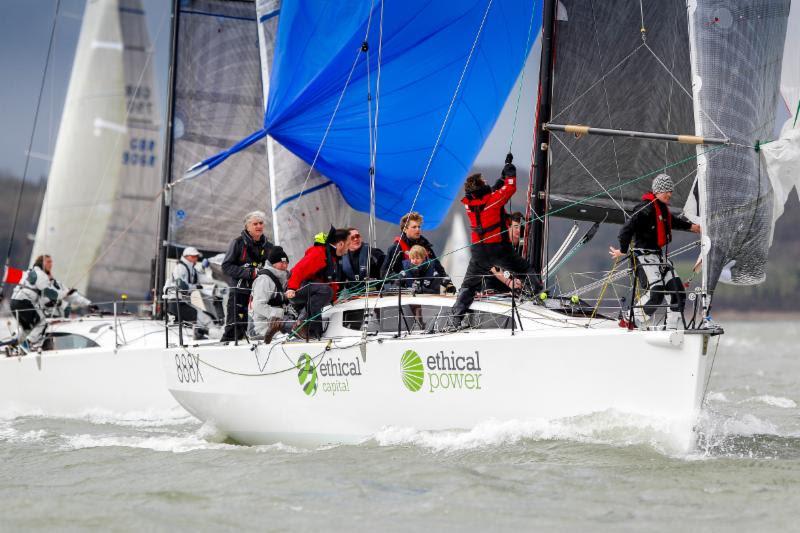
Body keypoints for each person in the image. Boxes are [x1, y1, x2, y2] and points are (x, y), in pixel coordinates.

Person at [450, 154, 543, 328]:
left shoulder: (469, 204)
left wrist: (500, 178)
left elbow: (490, 192)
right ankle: (539, 294)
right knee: (525, 268)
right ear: (480, 186)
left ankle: (456, 318)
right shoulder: (493, 200)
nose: (486, 183)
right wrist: (510, 170)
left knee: (469, 286)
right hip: (498, 248)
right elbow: (510, 187)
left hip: (479, 252)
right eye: (484, 181)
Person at [609, 173, 701, 330]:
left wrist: (694, 227)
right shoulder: (644, 209)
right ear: (658, 191)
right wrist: (623, 250)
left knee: (678, 292)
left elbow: (674, 222)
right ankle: (629, 318)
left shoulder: (662, 210)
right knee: (656, 293)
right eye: (667, 191)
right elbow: (625, 230)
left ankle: (671, 328)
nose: (669, 194)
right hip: (643, 257)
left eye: (671, 191)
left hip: (658, 257)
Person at [286, 228, 349, 340]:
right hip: (295, 288)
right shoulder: (319, 253)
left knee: (327, 292)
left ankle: (307, 329)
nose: (348, 248)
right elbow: (299, 269)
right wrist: (291, 288)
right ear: (340, 244)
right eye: (348, 244)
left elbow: (330, 280)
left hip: (308, 287)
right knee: (326, 291)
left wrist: (333, 300)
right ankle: (308, 329)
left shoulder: (332, 256)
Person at [221, 211, 274, 342]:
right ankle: (225, 348)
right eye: (255, 224)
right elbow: (226, 266)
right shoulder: (238, 243)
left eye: (261, 223)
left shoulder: (268, 246)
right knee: (234, 327)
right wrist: (249, 273)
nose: (259, 226)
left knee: (257, 327)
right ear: (247, 227)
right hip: (239, 292)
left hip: (259, 293)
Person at [381, 212, 455, 293]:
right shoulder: (396, 248)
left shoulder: (425, 246)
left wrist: (448, 284)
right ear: (405, 229)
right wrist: (401, 278)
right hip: (404, 292)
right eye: (414, 227)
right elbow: (384, 273)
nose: (418, 229)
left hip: (426, 290)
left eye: (419, 227)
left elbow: (438, 267)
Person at [163, 247, 215, 340]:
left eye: (197, 256)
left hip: (183, 302)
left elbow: (203, 278)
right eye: (194, 256)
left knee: (205, 316)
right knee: (204, 318)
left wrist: (217, 281)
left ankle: (200, 334)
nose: (196, 258)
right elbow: (182, 286)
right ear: (187, 257)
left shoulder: (192, 270)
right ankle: (216, 335)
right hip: (176, 303)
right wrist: (196, 287)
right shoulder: (180, 268)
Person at [249, 246, 291, 343]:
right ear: (273, 263)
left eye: (286, 263)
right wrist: (280, 313)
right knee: (289, 338)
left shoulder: (282, 278)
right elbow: (257, 305)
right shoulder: (264, 279)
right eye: (281, 262)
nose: (284, 266)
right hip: (259, 328)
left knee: (295, 332)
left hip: (275, 323)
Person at [340, 227, 384, 293]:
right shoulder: (341, 258)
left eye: (357, 236)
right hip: (353, 295)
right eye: (352, 238)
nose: (356, 239)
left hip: (375, 293)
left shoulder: (373, 253)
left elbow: (387, 266)